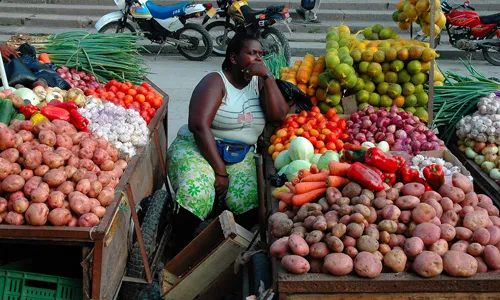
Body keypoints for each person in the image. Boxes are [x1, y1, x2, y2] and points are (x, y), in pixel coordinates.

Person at [167, 33, 288, 250]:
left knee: (250, 200)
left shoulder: (259, 84)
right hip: (199, 147)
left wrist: (268, 77)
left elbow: (279, 115)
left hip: (240, 153)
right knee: (198, 193)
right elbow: (198, 126)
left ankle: (218, 247)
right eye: (251, 54)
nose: (258, 59)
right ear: (233, 58)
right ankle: (178, 246)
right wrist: (220, 172)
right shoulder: (215, 81)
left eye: (260, 55)